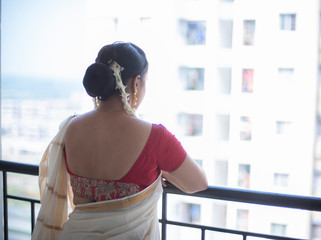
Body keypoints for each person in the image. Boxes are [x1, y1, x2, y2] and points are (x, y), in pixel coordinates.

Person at [31, 41, 208, 240]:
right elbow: (197, 183)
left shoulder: (71, 128)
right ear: (137, 83)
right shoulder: (156, 138)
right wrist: (160, 171)